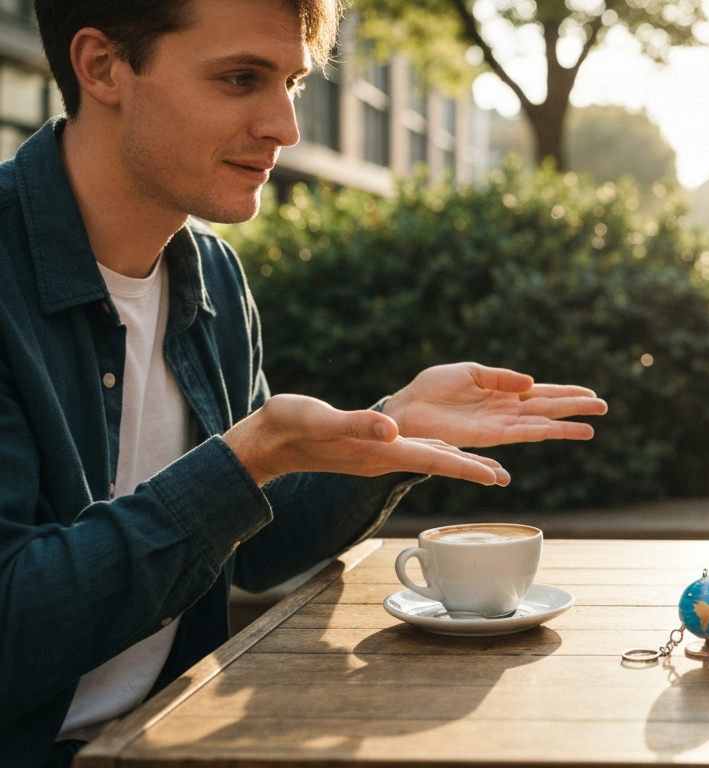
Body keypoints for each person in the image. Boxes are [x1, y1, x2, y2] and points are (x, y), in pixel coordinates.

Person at [0, 0, 608, 764]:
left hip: (163, 737)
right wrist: (247, 459)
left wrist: (392, 428)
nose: (284, 126)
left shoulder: (211, 273)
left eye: (290, 81)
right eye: (241, 78)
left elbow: (251, 549)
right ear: (102, 66)